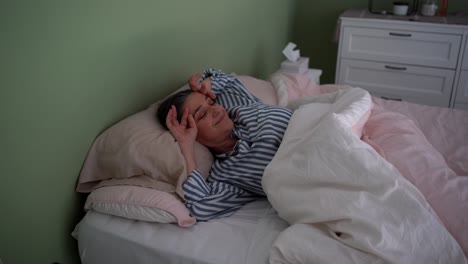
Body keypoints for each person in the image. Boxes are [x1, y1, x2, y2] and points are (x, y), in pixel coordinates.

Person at [157, 68, 292, 220]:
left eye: (212, 103)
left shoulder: (237, 106)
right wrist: (186, 148)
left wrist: (204, 85)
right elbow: (201, 206)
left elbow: (222, 77)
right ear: (192, 133)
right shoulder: (226, 175)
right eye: (202, 115)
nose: (215, 110)